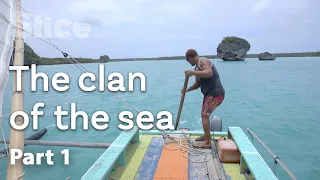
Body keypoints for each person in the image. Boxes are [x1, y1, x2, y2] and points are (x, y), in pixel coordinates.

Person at [182, 49, 225, 149]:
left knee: (204, 115)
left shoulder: (203, 61)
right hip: (209, 94)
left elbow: (209, 72)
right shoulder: (197, 67)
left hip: (215, 93)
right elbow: (197, 84)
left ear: (190, 57)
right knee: (204, 114)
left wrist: (193, 72)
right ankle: (206, 136)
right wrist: (187, 89)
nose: (189, 63)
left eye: (188, 60)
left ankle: (207, 142)